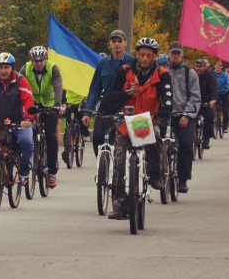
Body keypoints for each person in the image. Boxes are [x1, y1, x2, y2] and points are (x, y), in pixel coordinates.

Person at [99, 37, 173, 220]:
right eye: (141, 54)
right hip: (127, 121)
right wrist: (124, 94)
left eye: (149, 55)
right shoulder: (125, 71)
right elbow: (111, 96)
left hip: (148, 120)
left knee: (155, 137)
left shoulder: (162, 74)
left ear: (155, 56)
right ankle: (120, 205)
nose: (145, 58)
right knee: (119, 160)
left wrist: (164, 114)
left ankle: (155, 174)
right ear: (137, 55)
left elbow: (167, 98)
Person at [0, 52, 35, 194]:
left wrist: (28, 119)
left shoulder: (20, 80)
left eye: (6, 67)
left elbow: (28, 101)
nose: (3, 71)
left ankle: (24, 167)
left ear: (12, 68)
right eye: (0, 67)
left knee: (26, 141)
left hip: (19, 123)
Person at [83, 29, 136, 153]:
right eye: (114, 41)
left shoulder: (133, 62)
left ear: (125, 43)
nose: (117, 44)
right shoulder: (103, 63)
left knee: (129, 140)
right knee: (97, 138)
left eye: (120, 41)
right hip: (107, 104)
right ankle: (102, 169)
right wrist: (87, 111)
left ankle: (125, 168)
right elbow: (95, 89)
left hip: (127, 104)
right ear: (110, 43)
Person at [22, 45, 63, 188]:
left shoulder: (53, 68)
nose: (38, 63)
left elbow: (58, 86)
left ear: (45, 60)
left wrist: (57, 105)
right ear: (31, 61)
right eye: (35, 61)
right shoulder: (25, 69)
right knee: (27, 134)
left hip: (50, 105)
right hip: (32, 104)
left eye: (41, 60)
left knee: (51, 136)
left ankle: (52, 171)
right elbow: (18, 86)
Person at [162, 42, 200, 193]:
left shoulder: (190, 73)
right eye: (173, 53)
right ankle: (158, 173)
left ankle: (183, 179)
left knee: (185, 144)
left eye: (178, 53)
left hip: (182, 116)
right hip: (165, 115)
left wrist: (187, 115)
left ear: (182, 55)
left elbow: (195, 96)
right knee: (155, 142)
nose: (175, 56)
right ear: (169, 54)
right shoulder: (162, 71)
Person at [195, 58, 218, 149]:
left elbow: (214, 88)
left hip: (206, 101)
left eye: (200, 67)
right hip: (194, 101)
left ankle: (206, 138)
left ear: (205, 67)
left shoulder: (210, 76)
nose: (198, 68)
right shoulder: (192, 75)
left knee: (209, 116)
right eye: (196, 66)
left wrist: (213, 100)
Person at [213, 61, 229, 131]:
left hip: (225, 92)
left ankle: (225, 125)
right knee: (213, 106)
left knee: (226, 108)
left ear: (222, 68)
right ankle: (215, 121)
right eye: (216, 68)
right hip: (215, 92)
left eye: (219, 68)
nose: (217, 69)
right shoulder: (212, 74)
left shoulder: (226, 75)